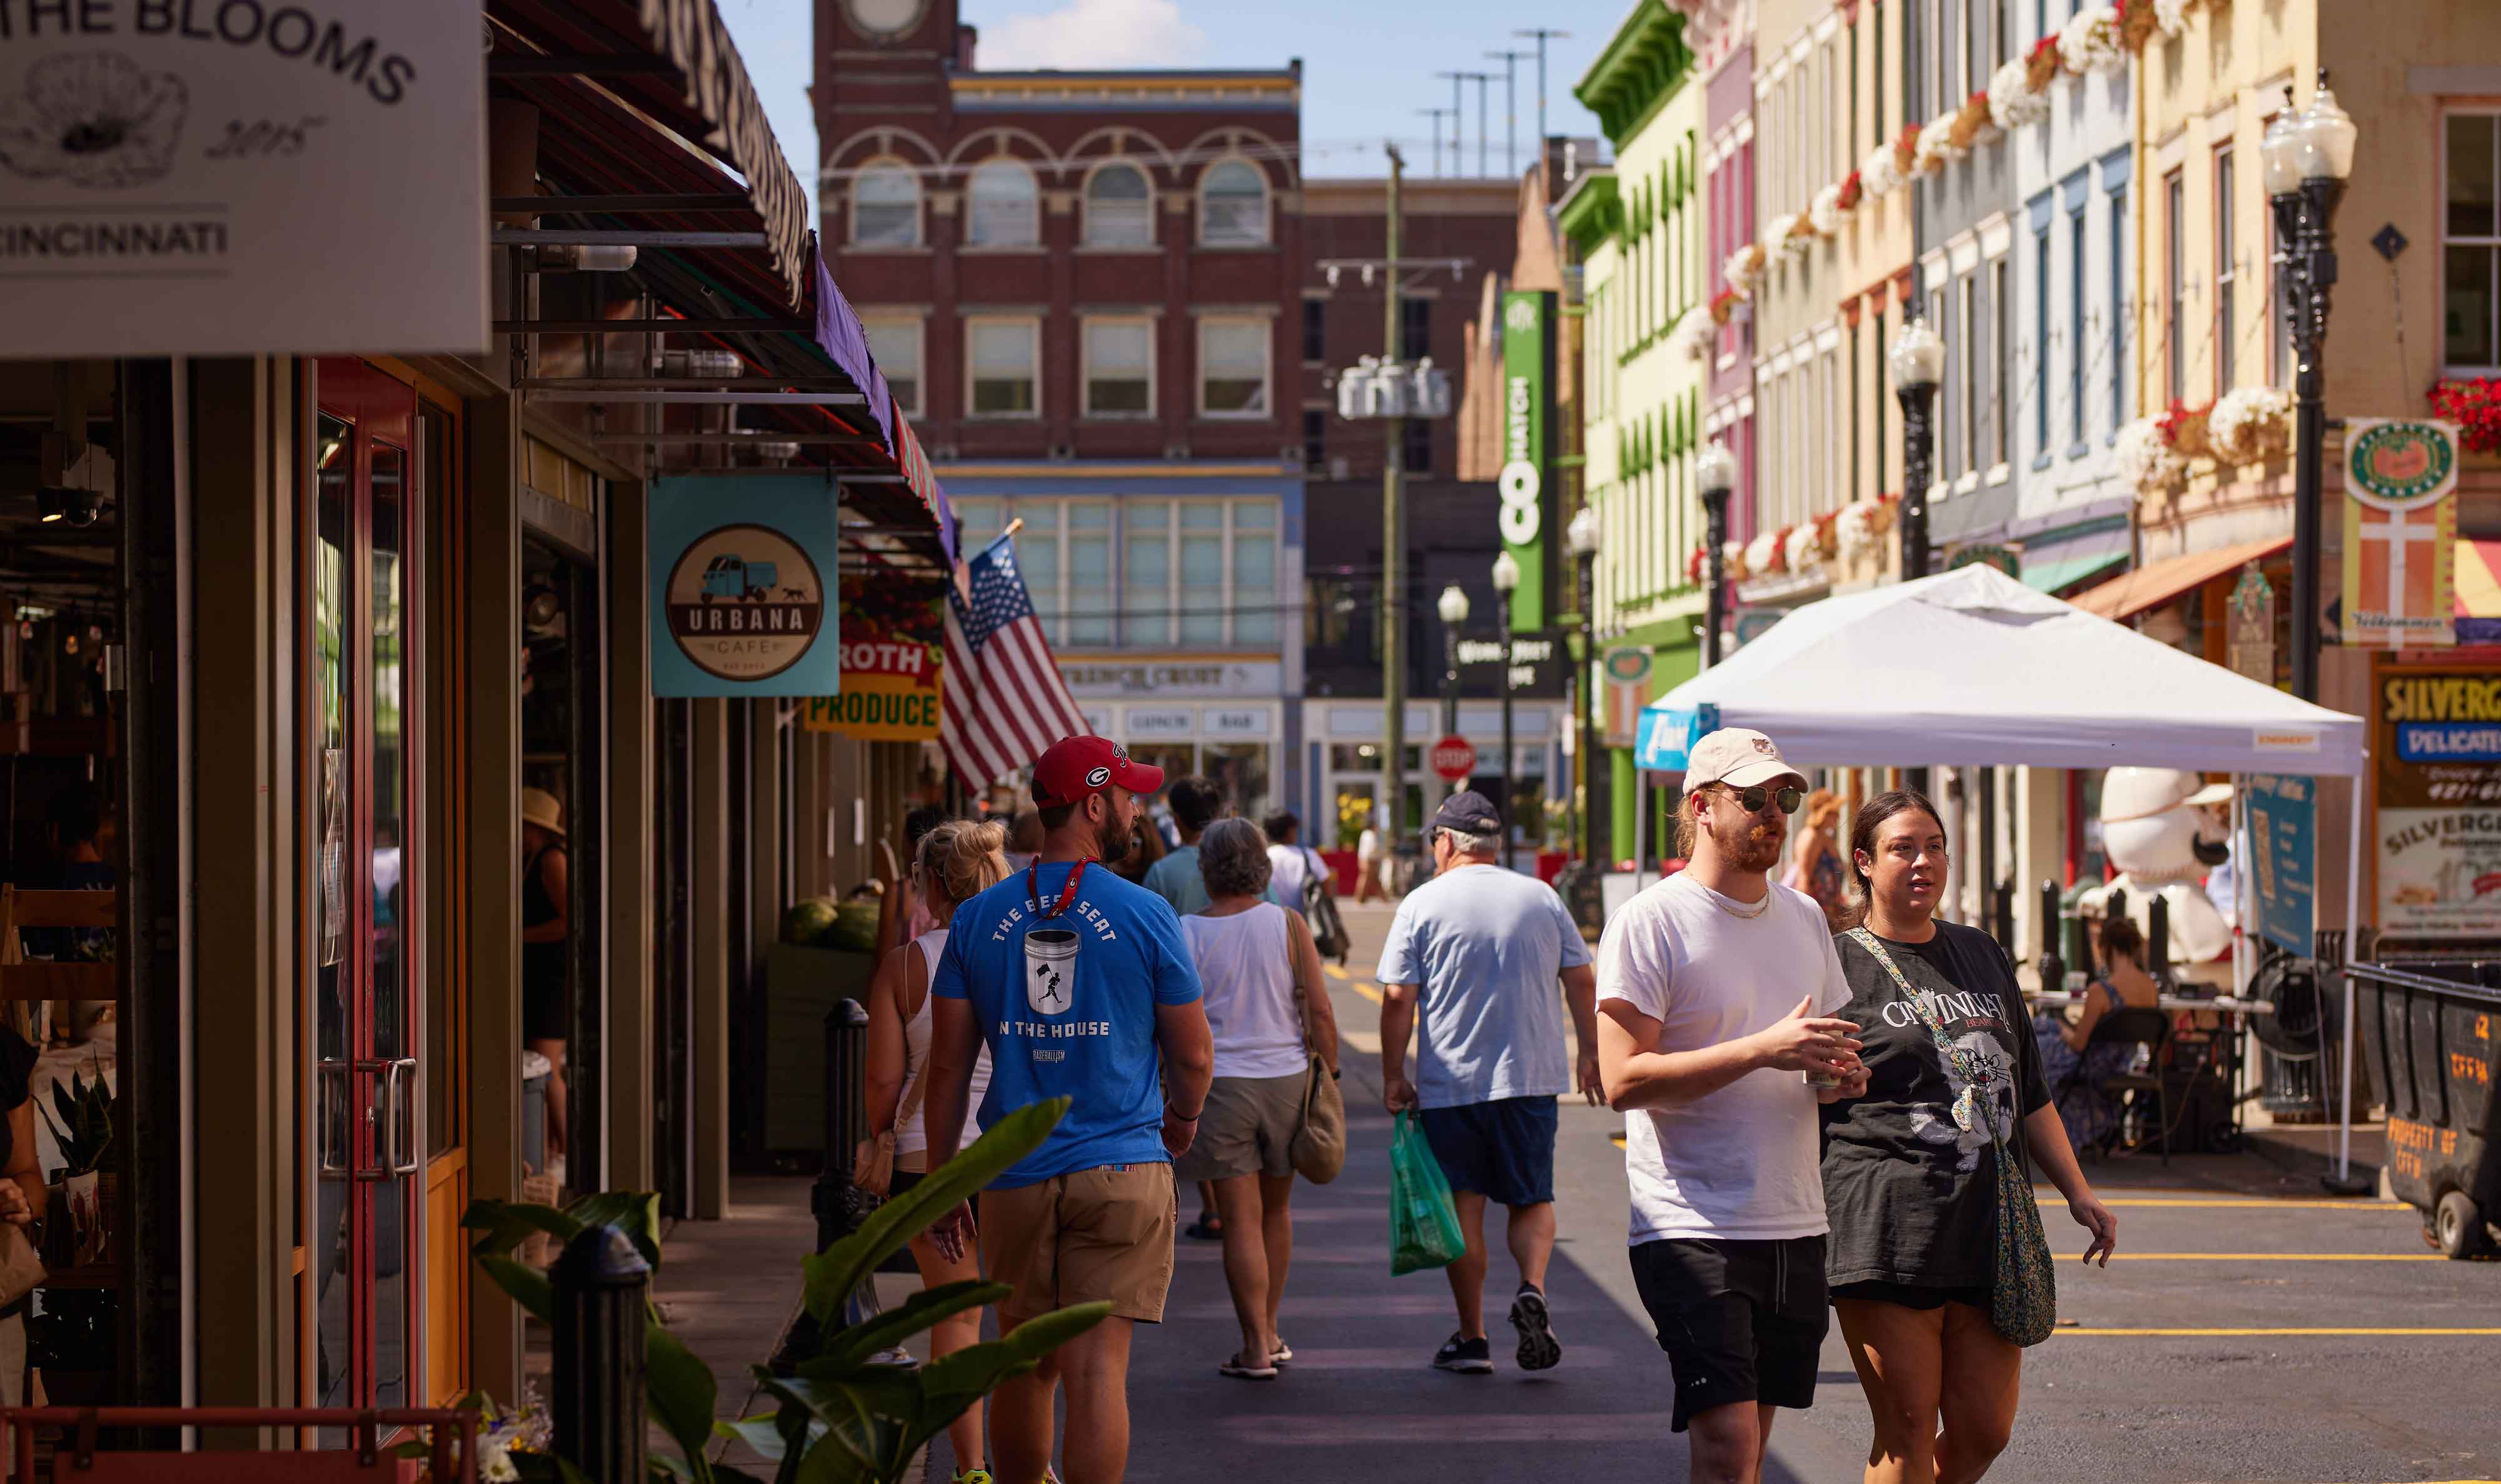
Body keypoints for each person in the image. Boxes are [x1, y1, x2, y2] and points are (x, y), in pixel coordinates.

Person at [923, 736, 1215, 1484]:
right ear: (1092, 805)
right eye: (1127, 796)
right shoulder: (1146, 913)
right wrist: (1182, 1119)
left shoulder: (976, 919)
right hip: (1121, 1166)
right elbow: (1192, 1056)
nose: (1136, 809)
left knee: (1025, 1364)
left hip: (1014, 1174)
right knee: (1096, 1372)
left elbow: (948, 1067)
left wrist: (943, 1180)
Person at [1591, 728, 1868, 1484]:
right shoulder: (1649, 921)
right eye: (1753, 798)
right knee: (1726, 1446)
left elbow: (1811, 1063)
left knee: (1749, 1452)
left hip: (1794, 1220)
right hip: (1690, 1225)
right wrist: (1762, 1049)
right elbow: (1622, 1081)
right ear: (1701, 807)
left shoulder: (1804, 917)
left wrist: (1835, 1078)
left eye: (1784, 797)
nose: (1773, 812)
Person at [1824, 790, 2119, 1484]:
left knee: (1985, 1428)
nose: (1923, 862)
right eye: (1902, 848)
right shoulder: (1835, 964)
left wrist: (2078, 1192)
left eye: (1934, 846)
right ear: (1864, 861)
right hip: (1887, 1223)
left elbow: (2030, 1091)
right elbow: (1801, 1088)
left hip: (1989, 1224)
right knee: (1905, 1432)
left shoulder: (1981, 953)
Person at [1377, 791, 1599, 1375]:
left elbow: (1398, 998)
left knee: (1464, 1209)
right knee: (1532, 1199)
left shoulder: (1422, 903)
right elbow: (1581, 978)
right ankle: (1532, 1286)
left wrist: (1393, 1075)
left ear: (1447, 842)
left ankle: (1472, 1337)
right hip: (1530, 1079)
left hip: (1453, 1085)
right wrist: (1591, 1053)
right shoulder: (1540, 897)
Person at [858, 819, 1007, 1484]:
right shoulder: (1024, 951)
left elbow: (883, 1082)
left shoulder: (904, 966)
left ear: (932, 886)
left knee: (957, 1317)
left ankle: (970, 1469)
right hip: (1013, 1152)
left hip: (926, 1160)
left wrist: (881, 1132)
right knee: (1027, 1319)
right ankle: (1033, 1462)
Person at [1174, 819, 1337, 1380]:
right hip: (1287, 1081)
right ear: (1261, 868)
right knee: (1277, 1212)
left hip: (1221, 1088)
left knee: (1240, 1221)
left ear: (1207, 869)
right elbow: (1320, 1011)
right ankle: (1270, 1329)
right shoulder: (1288, 924)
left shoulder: (1187, 931)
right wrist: (1332, 1074)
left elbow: (1173, 1021)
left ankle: (1255, 1349)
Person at [2035, 916, 2158, 1155]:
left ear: (2108, 948)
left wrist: (2061, 1027)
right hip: (2122, 1064)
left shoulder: (2101, 991)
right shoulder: (2150, 988)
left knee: (2038, 1037)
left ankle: (2040, 1129)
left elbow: (2079, 1044)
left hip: (2093, 1067)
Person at [520, 787, 572, 1173]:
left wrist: (520, 935)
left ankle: (568, 1154)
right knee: (543, 1066)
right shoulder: (533, 859)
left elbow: (570, 922)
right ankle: (554, 1152)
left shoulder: (552, 860)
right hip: (539, 977)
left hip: (551, 979)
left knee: (547, 1067)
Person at [1784, 788, 1848, 931]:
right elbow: (1804, 880)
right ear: (1824, 813)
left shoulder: (1826, 838)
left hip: (1830, 912)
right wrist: (1806, 918)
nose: (1838, 817)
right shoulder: (1810, 837)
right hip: (1816, 914)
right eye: (1834, 813)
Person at [1261, 810, 1327, 917]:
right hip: (1306, 920)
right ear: (1290, 831)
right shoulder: (1308, 856)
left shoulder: (1262, 857)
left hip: (1271, 919)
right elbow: (1326, 888)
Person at [1355, 818, 1386, 904]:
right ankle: (1360, 898)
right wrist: (1382, 854)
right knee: (1366, 879)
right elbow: (1373, 848)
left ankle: (1382, 898)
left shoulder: (1364, 834)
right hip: (1370, 860)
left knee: (1370, 878)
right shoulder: (1371, 835)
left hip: (1363, 858)